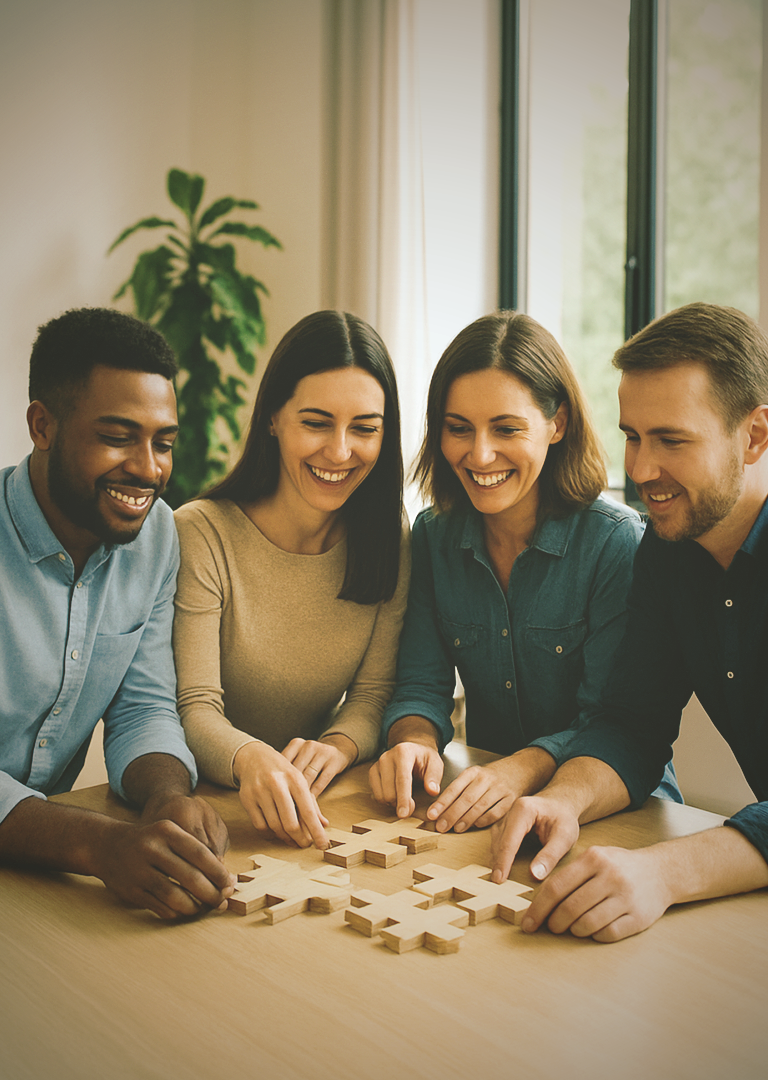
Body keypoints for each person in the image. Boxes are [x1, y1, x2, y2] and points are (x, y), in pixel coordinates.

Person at [491, 301, 768, 942]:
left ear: (754, 435)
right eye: (633, 436)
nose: (641, 471)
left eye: (672, 440)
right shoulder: (667, 550)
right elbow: (630, 725)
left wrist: (666, 872)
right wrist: (563, 800)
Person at [369, 311, 678, 831]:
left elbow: (611, 723)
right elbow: (421, 683)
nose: (480, 453)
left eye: (507, 428)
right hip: (492, 804)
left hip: (619, 809)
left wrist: (521, 769)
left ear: (556, 424)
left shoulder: (617, 543)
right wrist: (414, 741)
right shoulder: (432, 535)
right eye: (458, 429)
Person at [0, 307, 234, 919]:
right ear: (42, 425)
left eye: (163, 441)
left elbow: (145, 707)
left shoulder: (156, 535)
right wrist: (99, 843)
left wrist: (165, 800)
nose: (149, 468)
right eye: (117, 436)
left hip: (35, 881)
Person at [173, 310, 409, 851]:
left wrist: (340, 745)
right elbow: (195, 707)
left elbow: (372, 694)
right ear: (274, 418)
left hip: (320, 803)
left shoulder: (387, 532)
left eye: (365, 429)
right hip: (213, 812)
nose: (341, 451)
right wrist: (251, 756)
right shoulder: (202, 533)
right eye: (317, 422)